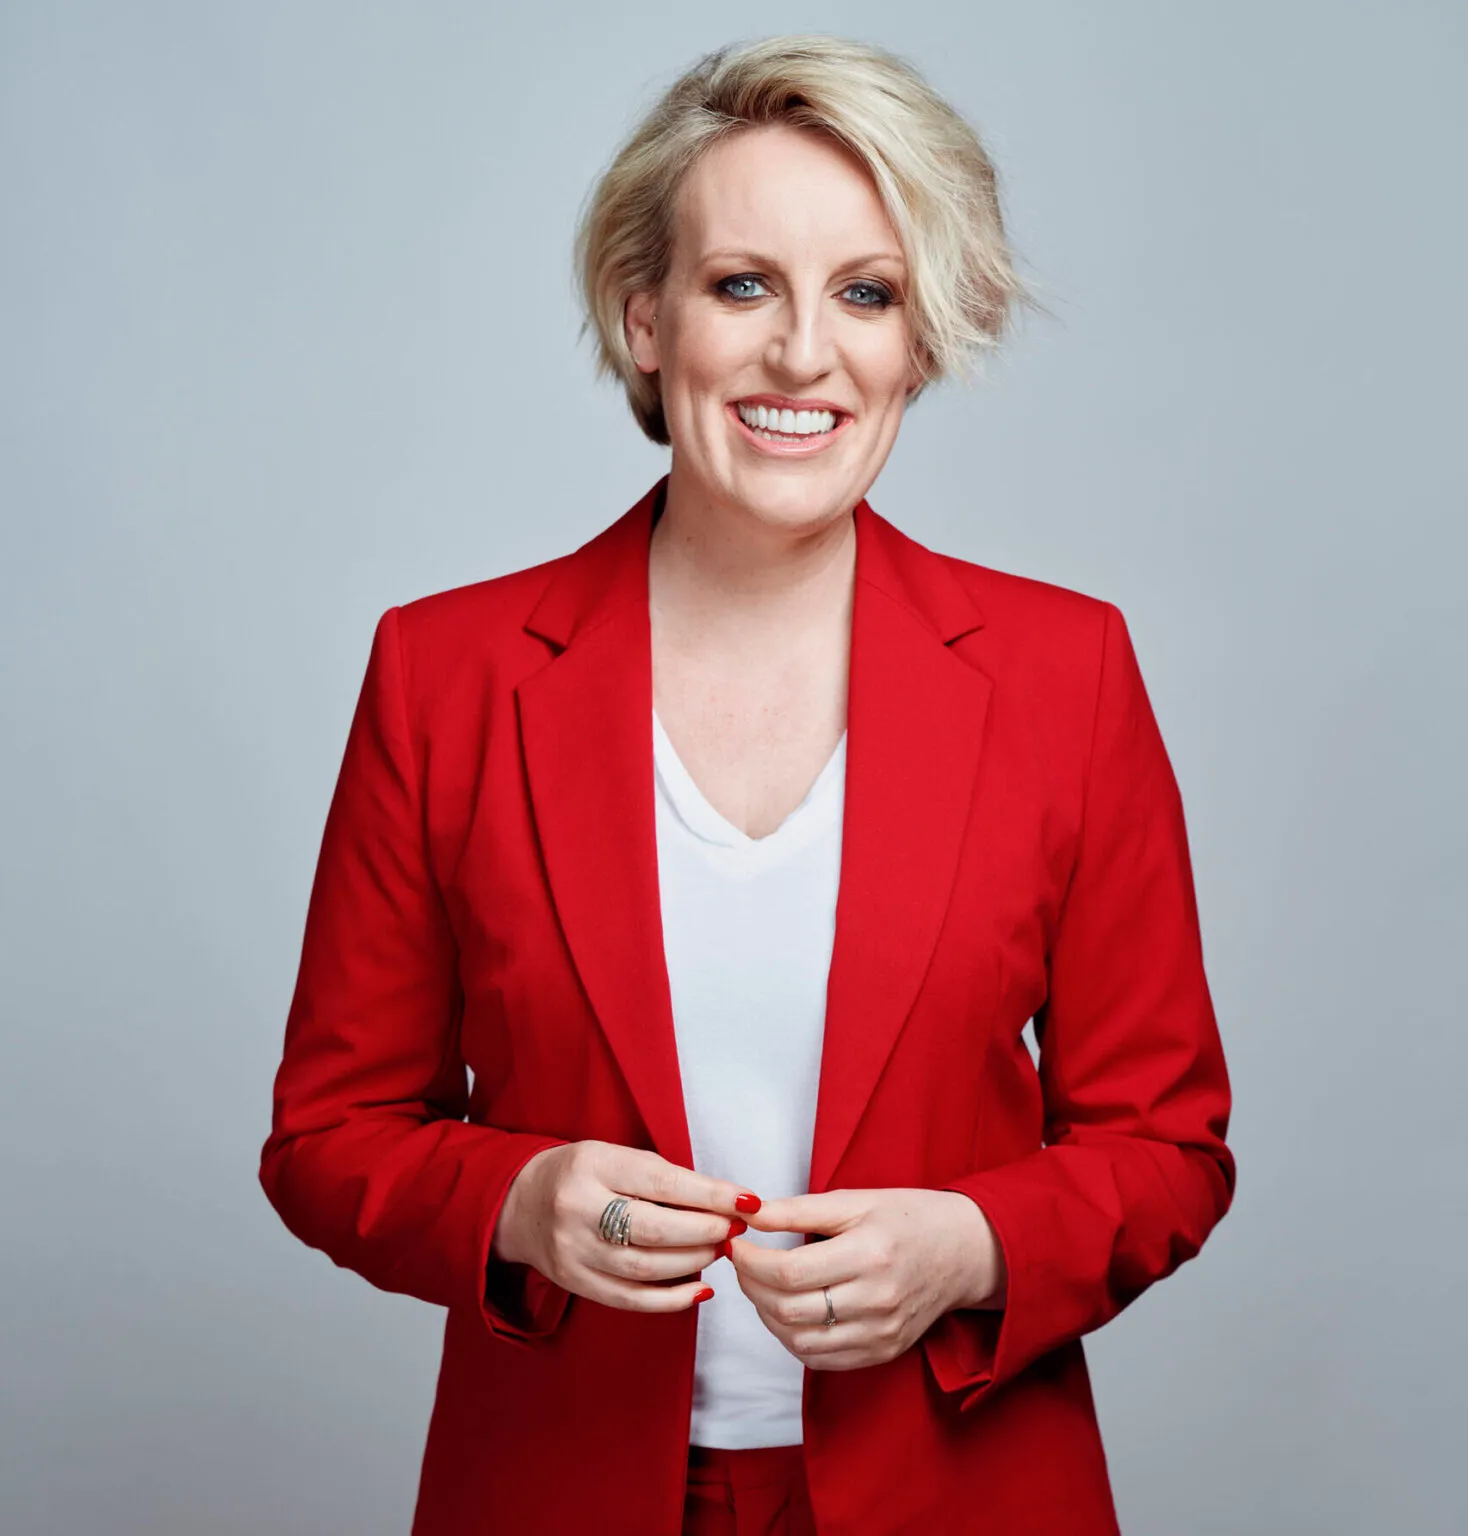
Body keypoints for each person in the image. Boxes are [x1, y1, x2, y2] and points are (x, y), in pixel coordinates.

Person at [259, 34, 1235, 1536]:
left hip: (962, 1488)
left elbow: (1167, 1148)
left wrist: (973, 1242)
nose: (802, 355)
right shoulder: (441, 675)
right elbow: (331, 1136)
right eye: (742, 286)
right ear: (645, 320)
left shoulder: (1067, 674)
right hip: (559, 1489)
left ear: (921, 337)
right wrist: (516, 1204)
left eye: (866, 291)